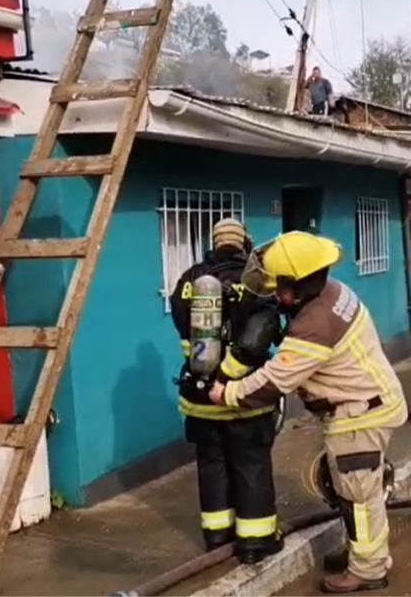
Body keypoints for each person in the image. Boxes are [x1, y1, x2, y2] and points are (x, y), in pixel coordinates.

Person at [208, 230, 407, 593]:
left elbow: (274, 382)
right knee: (353, 492)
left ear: (297, 286)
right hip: (371, 401)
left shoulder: (314, 327)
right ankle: (361, 554)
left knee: (359, 497)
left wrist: (228, 392)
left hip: (359, 414)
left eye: (278, 287)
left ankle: (367, 570)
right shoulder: (333, 291)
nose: (274, 294)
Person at [169, 218, 284, 564]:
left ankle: (217, 538)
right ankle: (255, 542)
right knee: (251, 467)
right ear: (244, 242)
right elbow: (261, 332)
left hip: (199, 396)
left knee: (212, 465)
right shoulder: (256, 281)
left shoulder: (189, 280)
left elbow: (181, 324)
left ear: (213, 243)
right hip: (242, 397)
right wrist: (231, 374)